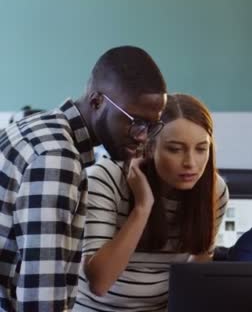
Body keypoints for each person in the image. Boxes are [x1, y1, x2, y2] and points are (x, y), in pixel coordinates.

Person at [0, 46, 167, 311]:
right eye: (135, 121)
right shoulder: (57, 156)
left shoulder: (40, 129)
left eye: (151, 125)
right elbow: (42, 297)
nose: (142, 136)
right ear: (97, 101)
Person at [75, 94, 229, 311]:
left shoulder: (215, 190)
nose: (191, 163)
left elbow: (196, 273)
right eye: (175, 149)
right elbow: (99, 283)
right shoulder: (105, 178)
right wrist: (142, 207)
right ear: (147, 147)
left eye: (201, 149)